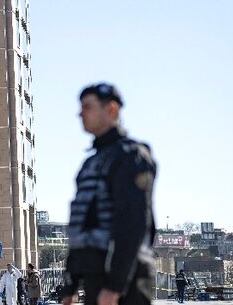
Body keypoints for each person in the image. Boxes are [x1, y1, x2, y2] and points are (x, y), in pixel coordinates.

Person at [60, 83, 157, 305]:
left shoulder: (130, 156)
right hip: (96, 275)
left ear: (111, 110)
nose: (80, 113)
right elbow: (82, 224)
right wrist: (70, 284)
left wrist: (115, 286)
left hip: (126, 278)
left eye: (87, 107)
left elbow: (133, 223)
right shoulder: (91, 163)